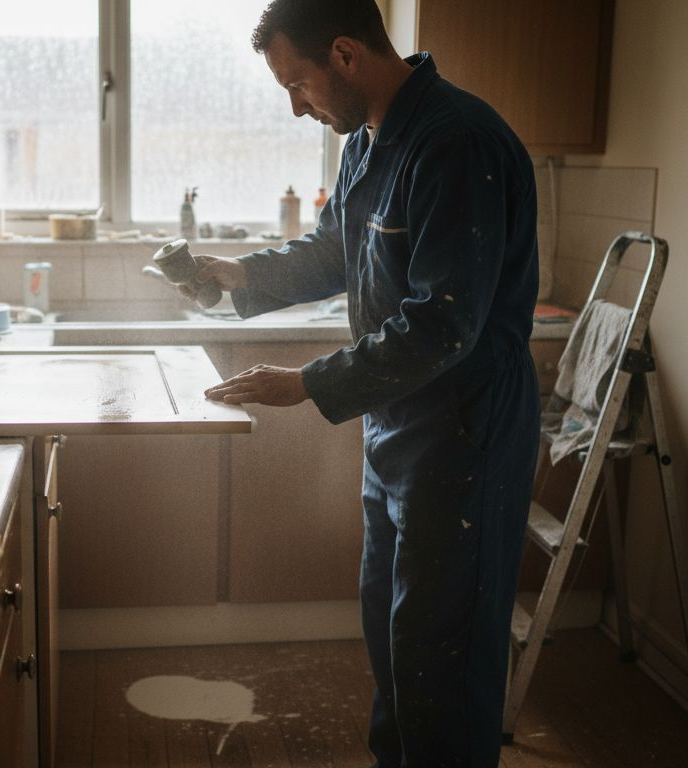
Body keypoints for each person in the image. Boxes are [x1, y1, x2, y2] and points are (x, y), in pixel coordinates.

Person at [189, 1, 541, 765]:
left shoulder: (458, 142)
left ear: (345, 54)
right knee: (396, 640)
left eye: (298, 85)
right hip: (396, 428)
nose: (295, 106)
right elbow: (332, 252)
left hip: (464, 435)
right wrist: (236, 276)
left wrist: (310, 384)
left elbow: (444, 323)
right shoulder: (366, 141)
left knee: (443, 659)